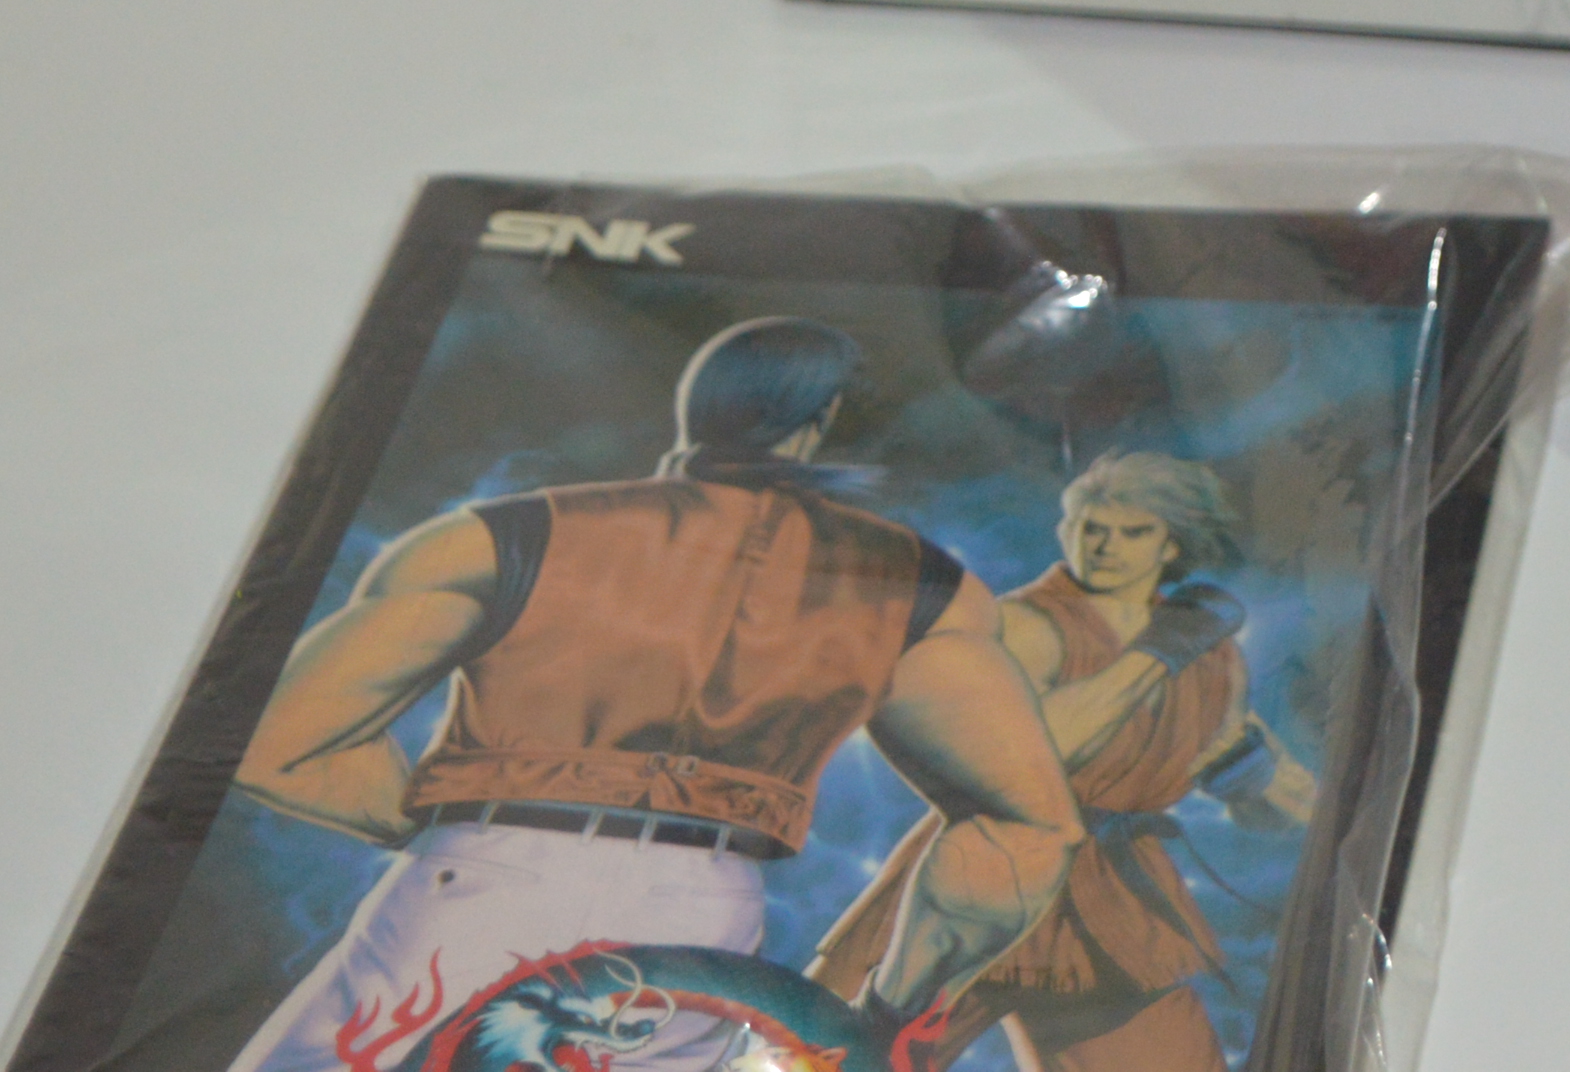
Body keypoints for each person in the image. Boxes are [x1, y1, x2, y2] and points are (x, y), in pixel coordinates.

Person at [224, 319, 1081, 1072]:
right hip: (702, 914)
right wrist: (886, 1011)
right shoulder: (916, 589)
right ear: (819, 421)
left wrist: (445, 833)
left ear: (694, 409)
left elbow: (276, 743)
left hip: (489, 871)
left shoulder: (500, 539)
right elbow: (1029, 830)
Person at [812, 451, 1319, 1072]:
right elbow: (1026, 756)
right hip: (988, 873)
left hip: (1114, 908)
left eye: (1133, 532)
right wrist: (1155, 657)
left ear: (1172, 545)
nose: (1104, 547)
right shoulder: (1025, 624)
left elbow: (1262, 801)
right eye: (1091, 527)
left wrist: (1255, 779)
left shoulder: (1213, 654)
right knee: (826, 1054)